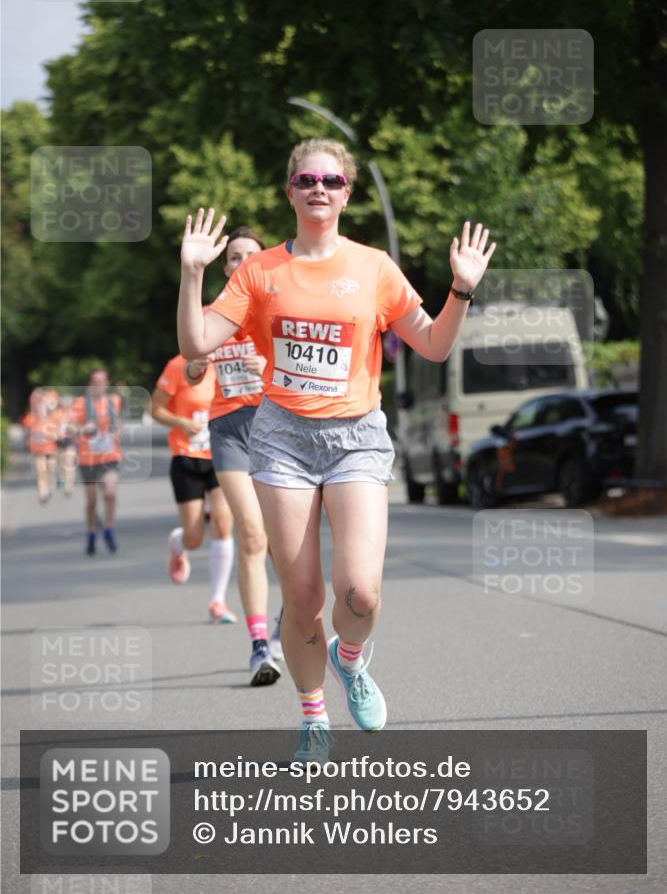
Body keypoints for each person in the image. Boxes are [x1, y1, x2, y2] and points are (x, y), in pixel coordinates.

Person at [177, 137, 496, 760]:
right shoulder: (259, 270)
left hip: (355, 439)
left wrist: (461, 290)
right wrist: (192, 273)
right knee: (301, 599)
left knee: (361, 593)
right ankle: (314, 715)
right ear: (289, 190)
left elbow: (431, 345)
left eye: (332, 180)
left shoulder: (374, 266)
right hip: (282, 441)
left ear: (348, 192)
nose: (318, 188)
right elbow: (196, 344)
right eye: (305, 179)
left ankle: (350, 661)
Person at [186, 227, 282, 686]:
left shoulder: (276, 312)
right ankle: (260, 646)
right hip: (228, 430)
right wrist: (195, 365)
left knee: (286, 545)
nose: (240, 261)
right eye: (233, 256)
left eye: (249, 255)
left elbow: (306, 368)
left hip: (276, 429)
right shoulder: (211, 314)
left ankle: (289, 621)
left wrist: (268, 367)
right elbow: (190, 366)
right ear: (225, 267)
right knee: (251, 533)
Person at [151, 347, 237, 624]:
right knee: (195, 536)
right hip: (187, 457)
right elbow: (156, 409)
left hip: (221, 455)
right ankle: (179, 544)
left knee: (223, 524)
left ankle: (218, 600)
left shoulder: (230, 363)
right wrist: (181, 422)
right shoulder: (178, 366)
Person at [71, 368, 122, 555]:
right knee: (92, 501)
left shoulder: (114, 401)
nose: (99, 385)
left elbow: (118, 424)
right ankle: (91, 532)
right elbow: (72, 429)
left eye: (102, 381)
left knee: (110, 494)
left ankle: (108, 528)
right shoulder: (80, 404)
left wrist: (118, 431)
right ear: (90, 384)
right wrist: (85, 428)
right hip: (88, 458)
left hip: (110, 455)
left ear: (107, 383)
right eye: (95, 382)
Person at [22, 388, 59, 504]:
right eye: (39, 405)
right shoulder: (30, 418)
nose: (40, 408)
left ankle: (50, 484)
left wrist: (51, 434)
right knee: (40, 471)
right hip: (38, 450)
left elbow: (57, 434)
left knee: (49, 470)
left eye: (43, 406)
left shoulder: (53, 418)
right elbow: (27, 432)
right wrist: (29, 440)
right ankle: (43, 493)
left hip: (50, 449)